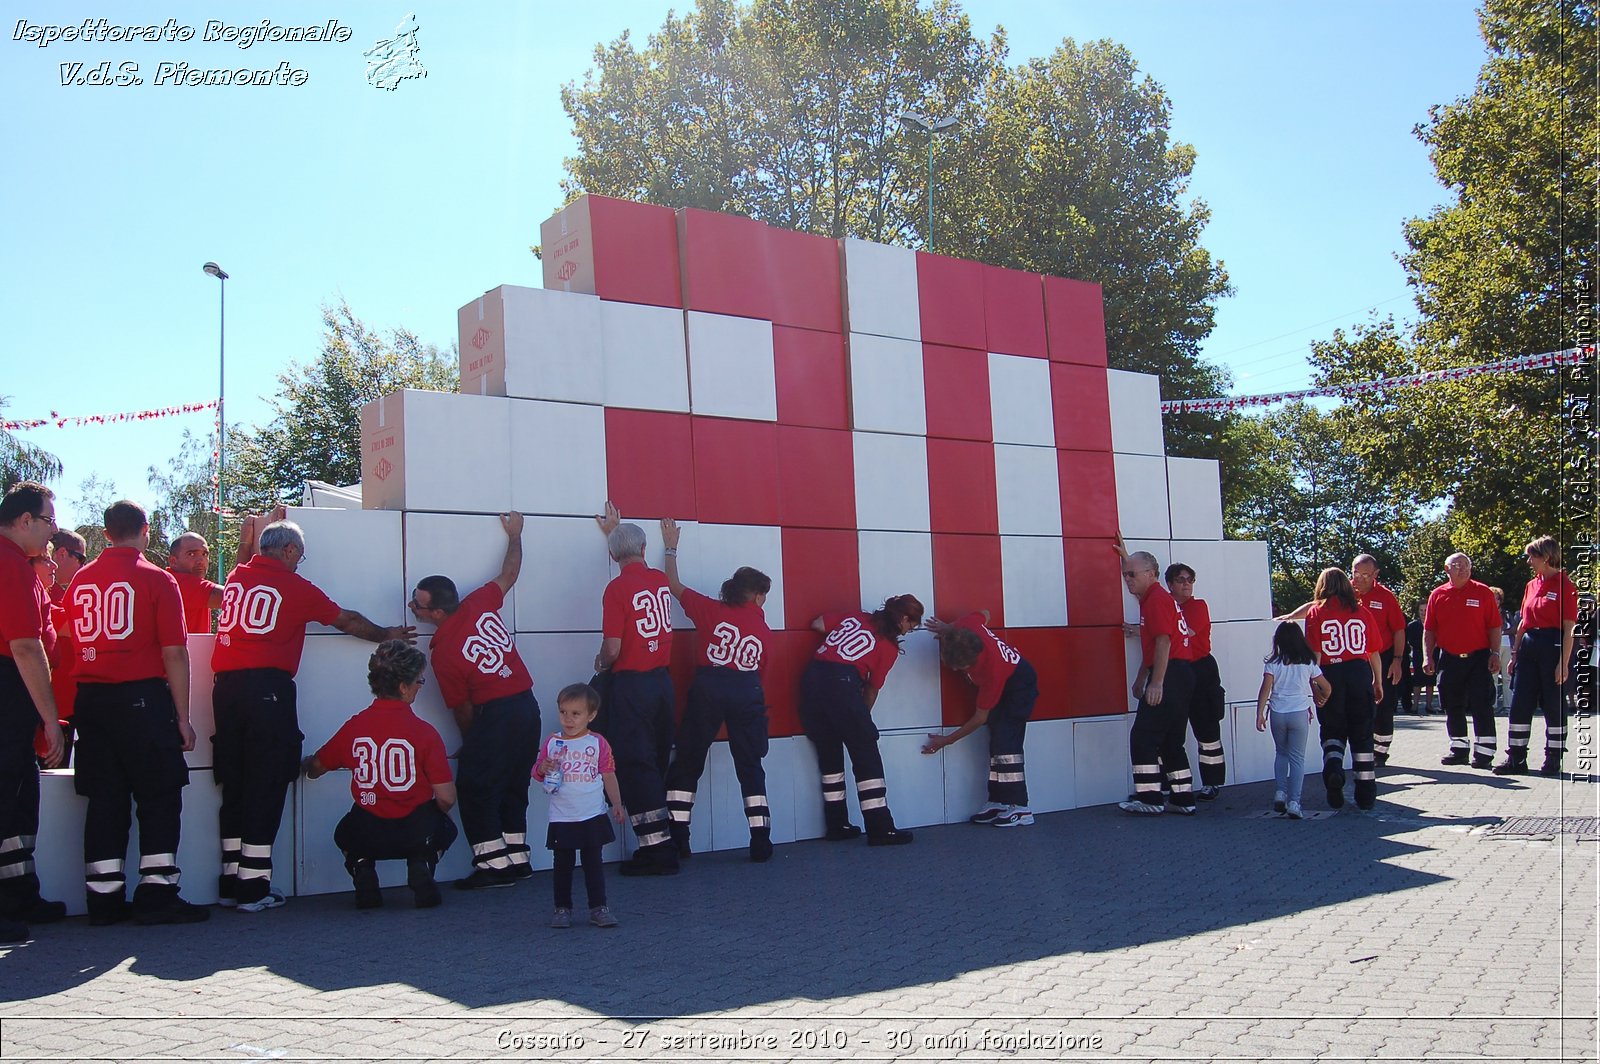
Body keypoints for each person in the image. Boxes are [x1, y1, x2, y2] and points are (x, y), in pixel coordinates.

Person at [211, 519, 413, 913]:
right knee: (267, 783)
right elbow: (347, 620)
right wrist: (386, 633)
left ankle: (231, 880)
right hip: (267, 690)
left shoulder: (237, 577)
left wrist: (246, 538)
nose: (300, 564)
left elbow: (242, 560)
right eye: (299, 557)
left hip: (225, 690)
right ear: (288, 551)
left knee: (234, 784)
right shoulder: (294, 587)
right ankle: (254, 887)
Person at [65, 500, 207, 925]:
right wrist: (182, 716)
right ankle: (157, 892)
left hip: (90, 698)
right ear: (145, 530)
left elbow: (70, 636)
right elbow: (175, 653)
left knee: (104, 798)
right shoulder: (156, 579)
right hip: (142, 699)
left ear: (106, 533)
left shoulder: (80, 580)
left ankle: (103, 899)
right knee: (160, 795)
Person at [409, 512, 541, 889]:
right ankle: (518, 859)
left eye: (417, 606)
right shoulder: (479, 602)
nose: (412, 609)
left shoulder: (444, 651)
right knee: (515, 784)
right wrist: (516, 535)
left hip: (496, 715)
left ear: (436, 612)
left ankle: (492, 865)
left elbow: (463, 709)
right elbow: (510, 573)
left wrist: (474, 745)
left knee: (476, 786)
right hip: (527, 707)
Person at [302, 641, 457, 909]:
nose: (421, 687)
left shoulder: (355, 726)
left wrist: (307, 766)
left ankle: (362, 868)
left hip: (367, 829)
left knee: (344, 832)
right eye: (419, 681)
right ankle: (422, 863)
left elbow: (317, 767)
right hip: (415, 829)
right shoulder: (425, 733)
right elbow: (446, 797)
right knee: (446, 828)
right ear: (403, 687)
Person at [658, 519, 776, 862]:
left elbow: (672, 584)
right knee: (750, 764)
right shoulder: (763, 628)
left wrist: (670, 547)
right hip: (747, 689)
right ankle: (760, 839)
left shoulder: (710, 610)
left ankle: (679, 837)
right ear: (756, 595)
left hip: (709, 685)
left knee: (689, 761)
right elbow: (762, 671)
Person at [591, 503, 677, 877]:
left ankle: (656, 849)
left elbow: (612, 647)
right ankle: (668, 839)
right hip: (662, 682)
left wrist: (600, 664)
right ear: (644, 550)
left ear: (611, 555)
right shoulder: (659, 579)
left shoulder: (616, 588)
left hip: (632, 685)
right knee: (656, 759)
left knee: (635, 761)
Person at [0, 483, 68, 943]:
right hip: (8, 687)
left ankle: (19, 894)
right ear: (25, 520)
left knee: (18, 799)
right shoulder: (8, 564)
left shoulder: (17, 564)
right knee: (6, 798)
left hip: (11, 694)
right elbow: (25, 646)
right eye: (49, 522)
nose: (52, 534)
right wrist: (50, 718)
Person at [800, 596, 924, 846]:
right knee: (866, 752)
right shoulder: (888, 647)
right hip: (843, 685)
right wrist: (861, 719)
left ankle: (837, 825)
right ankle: (880, 828)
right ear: (903, 619)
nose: (910, 630)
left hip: (811, 681)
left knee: (830, 753)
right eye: (912, 625)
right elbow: (871, 689)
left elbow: (818, 624)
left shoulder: (856, 617)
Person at [1278, 554, 1406, 765]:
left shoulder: (1384, 597)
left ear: (1375, 574)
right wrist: (1291, 616)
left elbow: (1397, 630)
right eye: (1356, 573)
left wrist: (1397, 659)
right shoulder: (1357, 604)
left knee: (1349, 720)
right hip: (1360, 665)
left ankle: (1374, 753)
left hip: (1351, 665)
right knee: (1358, 725)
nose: (1360, 579)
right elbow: (1314, 605)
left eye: (1366, 574)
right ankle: (1363, 775)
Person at [923, 609, 1039, 827]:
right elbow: (985, 613)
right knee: (997, 743)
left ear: (974, 661)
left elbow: (979, 718)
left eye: (961, 667)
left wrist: (946, 740)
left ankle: (1020, 808)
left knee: (1007, 745)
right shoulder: (967, 626)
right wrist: (948, 627)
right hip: (1008, 679)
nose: (956, 669)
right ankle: (999, 801)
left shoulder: (991, 671)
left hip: (1018, 686)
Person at [534, 682, 623, 928]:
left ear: (591, 715)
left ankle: (598, 908)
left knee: (593, 864)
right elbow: (538, 770)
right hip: (562, 816)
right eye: (563, 712)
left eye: (576, 714)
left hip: (591, 814)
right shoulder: (552, 742)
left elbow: (608, 774)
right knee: (562, 865)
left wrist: (616, 803)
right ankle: (562, 908)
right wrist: (542, 768)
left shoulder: (598, 743)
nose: (568, 719)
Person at [1117, 551, 1200, 816]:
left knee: (1143, 736)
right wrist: (1143, 677)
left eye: (1132, 574)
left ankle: (1150, 796)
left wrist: (1157, 682)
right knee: (1172, 740)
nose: (1128, 580)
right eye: (1125, 574)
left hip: (1171, 674)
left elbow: (1163, 642)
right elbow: (1155, 644)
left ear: (1151, 575)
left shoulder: (1155, 600)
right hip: (1181, 673)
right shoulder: (1154, 598)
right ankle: (1183, 798)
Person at [1496, 536, 1579, 777]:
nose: (1529, 561)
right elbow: (1523, 622)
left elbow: (1569, 628)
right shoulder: (1531, 585)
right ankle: (1516, 757)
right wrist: (1515, 653)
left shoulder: (1566, 587)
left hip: (1553, 645)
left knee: (1553, 704)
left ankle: (1553, 757)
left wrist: (1562, 664)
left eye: (1532, 556)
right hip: (1529, 646)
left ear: (1546, 557)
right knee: (1520, 702)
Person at [1306, 567, 1384, 810]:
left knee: (1332, 731)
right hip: (1359, 674)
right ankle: (1366, 791)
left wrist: (1315, 684)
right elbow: (1373, 652)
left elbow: (1315, 655)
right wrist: (1378, 681)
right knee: (1362, 735)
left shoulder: (1316, 613)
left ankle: (1333, 770)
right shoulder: (1362, 611)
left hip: (1331, 675)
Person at [1423, 553, 1503, 769]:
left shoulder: (1483, 592)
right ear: (1447, 569)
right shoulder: (1438, 595)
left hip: (1478, 657)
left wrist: (1495, 653)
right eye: (1458, 566)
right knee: (1451, 704)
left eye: (1467, 566)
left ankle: (1485, 753)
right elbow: (1429, 629)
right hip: (1449, 658)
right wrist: (1428, 656)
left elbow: (1494, 625)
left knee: (1481, 704)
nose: (1464, 570)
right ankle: (1458, 749)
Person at [1255, 621, 1332, 819]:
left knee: (1281, 753)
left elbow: (1265, 689)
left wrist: (1259, 714)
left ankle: (1280, 792)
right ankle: (1294, 803)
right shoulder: (1308, 663)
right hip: (1299, 712)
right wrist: (1321, 698)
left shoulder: (1273, 662)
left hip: (1278, 713)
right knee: (1297, 759)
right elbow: (1327, 687)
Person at [1167, 563, 1227, 799]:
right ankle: (1176, 786)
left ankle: (1213, 783)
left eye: (1190, 580)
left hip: (1201, 670)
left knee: (1208, 730)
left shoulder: (1198, 606)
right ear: (1170, 584)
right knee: (1173, 730)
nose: (1186, 584)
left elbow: (1183, 633)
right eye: (1181, 580)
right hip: (1177, 670)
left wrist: (1143, 630)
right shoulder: (1166, 605)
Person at [1407, 614, 1435, 713]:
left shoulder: (1434, 624)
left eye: (1426, 610)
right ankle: (1415, 706)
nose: (1423, 613)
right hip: (1418, 654)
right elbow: (1410, 641)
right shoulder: (1413, 625)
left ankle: (1429, 705)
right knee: (1417, 681)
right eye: (1421, 610)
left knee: (1430, 680)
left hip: (1432, 653)